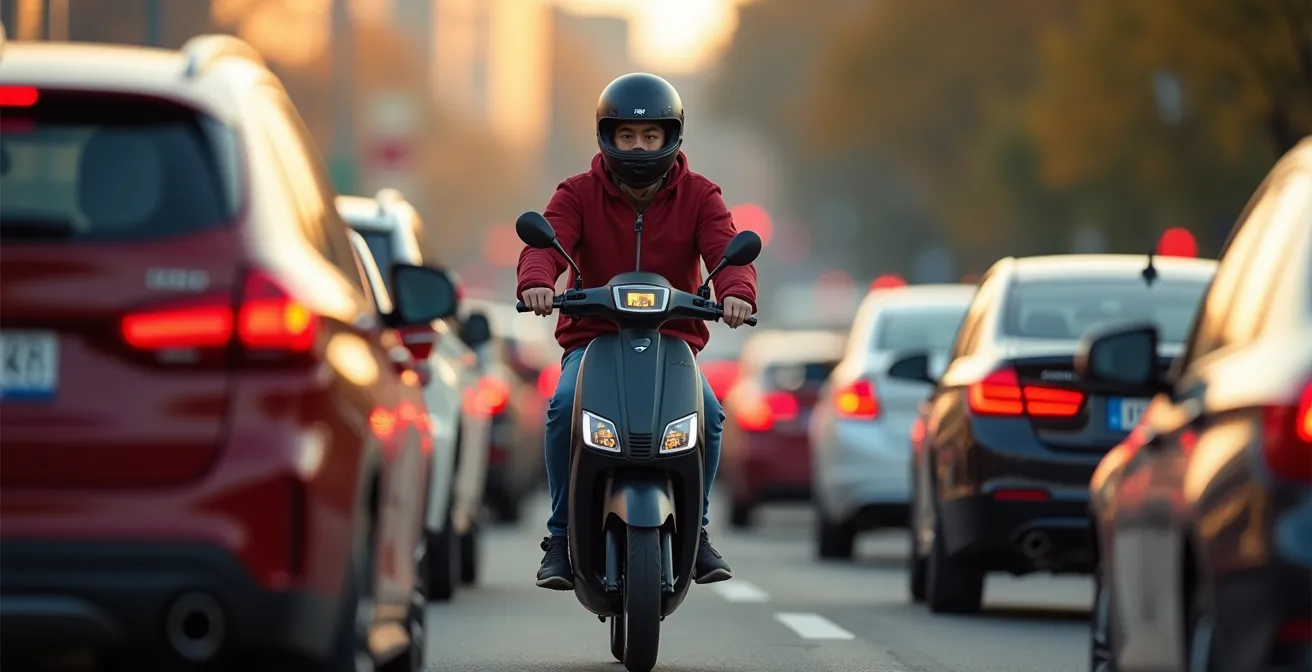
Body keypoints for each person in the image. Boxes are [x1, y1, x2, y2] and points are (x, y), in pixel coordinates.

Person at [517, 72, 758, 590]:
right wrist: (537, 281)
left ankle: (700, 531)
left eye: (651, 137)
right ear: (606, 135)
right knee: (563, 408)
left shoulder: (700, 195)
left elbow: (727, 249)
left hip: (673, 344)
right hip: (593, 341)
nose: (639, 146)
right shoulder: (577, 193)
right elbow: (544, 243)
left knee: (710, 416)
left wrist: (736, 292)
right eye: (627, 136)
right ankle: (559, 538)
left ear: (672, 136)